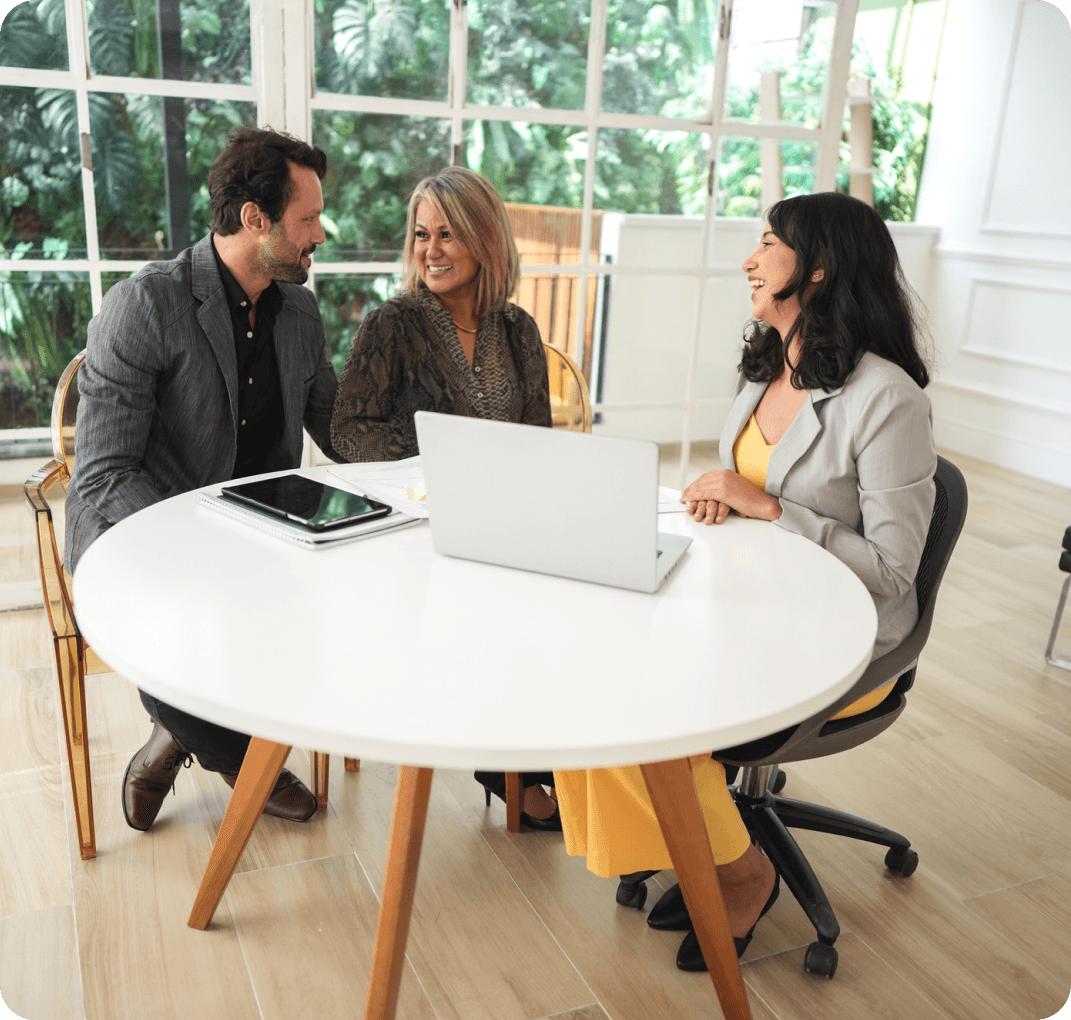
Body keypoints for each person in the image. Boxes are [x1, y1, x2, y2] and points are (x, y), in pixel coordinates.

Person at [554, 191, 936, 971]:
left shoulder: (887, 399)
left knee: (646, 709)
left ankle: (740, 872)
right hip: (748, 603)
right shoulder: (772, 362)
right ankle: (692, 843)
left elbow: (893, 571)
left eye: (767, 244)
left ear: (818, 269)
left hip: (837, 639)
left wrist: (769, 507)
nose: (747, 260)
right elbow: (752, 477)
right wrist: (723, 492)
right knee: (590, 665)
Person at [65, 126, 342, 832]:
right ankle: (245, 762)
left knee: (338, 593)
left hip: (261, 529)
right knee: (194, 608)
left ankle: (172, 736)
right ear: (255, 218)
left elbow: (340, 429)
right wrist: (199, 547)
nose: (320, 234)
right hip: (142, 528)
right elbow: (102, 475)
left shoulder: (300, 313)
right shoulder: (146, 304)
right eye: (308, 218)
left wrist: (427, 456)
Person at [331, 166, 559, 828]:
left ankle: (546, 752)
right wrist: (436, 463)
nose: (429, 250)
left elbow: (538, 439)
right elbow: (348, 431)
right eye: (420, 234)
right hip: (417, 533)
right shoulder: (391, 325)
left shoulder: (517, 330)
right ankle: (508, 760)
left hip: (504, 526)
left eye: (447, 235)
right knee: (504, 608)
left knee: (574, 600)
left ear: (486, 240)